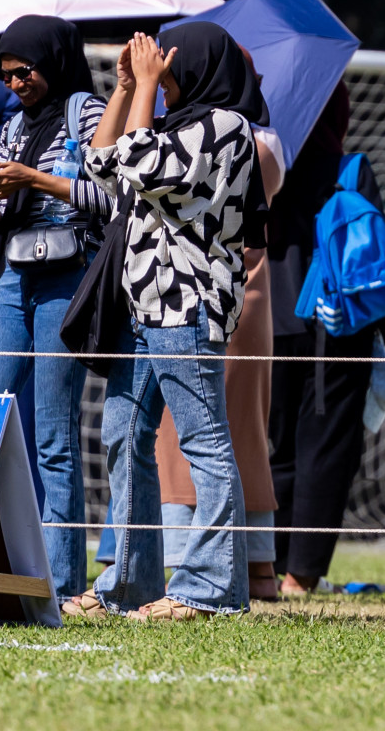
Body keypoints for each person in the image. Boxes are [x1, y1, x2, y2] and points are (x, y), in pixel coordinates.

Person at [67, 23, 267, 620]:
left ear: (199, 65)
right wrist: (128, 89)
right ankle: (128, 584)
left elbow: (147, 167)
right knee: (123, 434)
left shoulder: (226, 127)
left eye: (168, 63)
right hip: (141, 305)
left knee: (203, 439)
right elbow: (101, 164)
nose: (162, 71)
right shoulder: (167, 120)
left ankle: (208, 591)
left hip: (186, 303)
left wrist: (147, 91)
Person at [0, 16, 110, 603]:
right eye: (5, 76)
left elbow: (106, 196)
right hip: (15, 274)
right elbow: (2, 224)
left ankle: (65, 581)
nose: (15, 84)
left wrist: (36, 179)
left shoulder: (87, 112)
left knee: (54, 431)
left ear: (52, 60)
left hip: (67, 275)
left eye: (24, 72)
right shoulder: (15, 125)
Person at [154, 119, 285, 602]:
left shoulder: (206, 139)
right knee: (239, 431)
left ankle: (188, 564)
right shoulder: (268, 143)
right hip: (246, 299)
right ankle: (257, 568)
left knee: (187, 432)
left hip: (193, 295)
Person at [266, 82, 379, 596]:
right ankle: (301, 574)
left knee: (275, 446)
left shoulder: (264, 166)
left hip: (272, 319)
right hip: (340, 328)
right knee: (328, 446)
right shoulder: (350, 171)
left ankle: (266, 562)